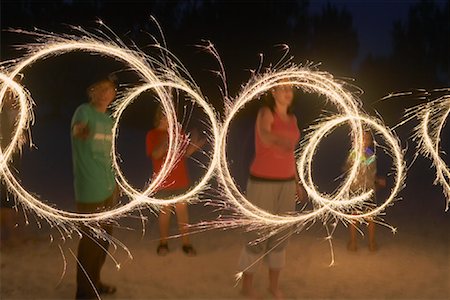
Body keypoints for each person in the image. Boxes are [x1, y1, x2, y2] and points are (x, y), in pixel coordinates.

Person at [239, 82, 304, 299]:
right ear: (273, 92)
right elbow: (265, 136)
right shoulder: (266, 113)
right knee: (257, 235)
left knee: (281, 237)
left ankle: (273, 286)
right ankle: (247, 286)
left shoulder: (293, 119)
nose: (288, 93)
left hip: (285, 182)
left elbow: (291, 153)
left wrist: (297, 182)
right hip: (262, 181)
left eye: (290, 89)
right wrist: (280, 139)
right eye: (283, 89)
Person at [71, 78, 118, 299]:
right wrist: (81, 132)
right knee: (90, 243)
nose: (104, 93)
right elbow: (78, 130)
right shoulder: (84, 112)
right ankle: (84, 292)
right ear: (92, 92)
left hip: (108, 189)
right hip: (90, 189)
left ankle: (95, 283)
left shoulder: (108, 119)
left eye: (108, 90)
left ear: (113, 94)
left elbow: (109, 156)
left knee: (103, 242)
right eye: (100, 89)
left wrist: (116, 183)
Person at [146, 105, 205, 256]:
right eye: (168, 116)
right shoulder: (152, 135)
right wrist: (167, 140)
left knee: (182, 214)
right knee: (165, 214)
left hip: (181, 180)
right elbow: (156, 155)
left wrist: (194, 147)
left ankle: (186, 244)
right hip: (164, 182)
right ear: (160, 117)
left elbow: (184, 154)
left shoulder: (179, 132)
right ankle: (163, 243)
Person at [345, 130, 386, 252]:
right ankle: (356, 243)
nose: (365, 141)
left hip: (366, 189)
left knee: (368, 216)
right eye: (363, 139)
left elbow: (368, 172)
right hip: (358, 189)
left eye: (367, 139)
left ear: (370, 142)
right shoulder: (355, 154)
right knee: (356, 216)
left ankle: (370, 243)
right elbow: (356, 169)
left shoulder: (369, 154)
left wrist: (377, 181)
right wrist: (377, 180)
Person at [0, 88, 20, 248]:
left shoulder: (13, 112)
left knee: (10, 197)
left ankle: (13, 234)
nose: (11, 96)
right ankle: (10, 236)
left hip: (11, 163)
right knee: (4, 198)